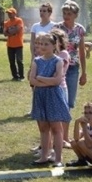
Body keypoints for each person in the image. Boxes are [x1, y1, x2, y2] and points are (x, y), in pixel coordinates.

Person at [29, 31, 70, 167]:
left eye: (47, 44)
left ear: (54, 45)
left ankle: (58, 158)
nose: (44, 46)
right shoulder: (37, 61)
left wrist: (41, 78)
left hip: (54, 97)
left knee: (56, 128)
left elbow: (57, 80)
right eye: (41, 44)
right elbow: (32, 79)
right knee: (43, 127)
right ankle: (44, 155)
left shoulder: (58, 61)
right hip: (40, 96)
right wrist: (45, 81)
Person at [54, 0, 87, 146]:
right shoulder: (57, 28)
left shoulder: (80, 29)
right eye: (64, 13)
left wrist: (84, 72)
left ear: (75, 15)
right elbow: (51, 48)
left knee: (69, 102)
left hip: (73, 68)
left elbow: (81, 51)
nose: (66, 16)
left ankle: (65, 138)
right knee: (57, 101)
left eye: (69, 13)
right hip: (58, 67)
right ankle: (55, 137)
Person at [3, 7, 25, 81]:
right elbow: (4, 33)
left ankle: (21, 76)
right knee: (11, 61)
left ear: (14, 13)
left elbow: (18, 29)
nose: (9, 15)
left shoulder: (19, 20)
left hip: (18, 44)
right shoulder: (6, 22)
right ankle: (15, 76)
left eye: (10, 13)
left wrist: (9, 32)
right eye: (8, 13)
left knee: (19, 60)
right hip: (10, 45)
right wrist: (11, 32)